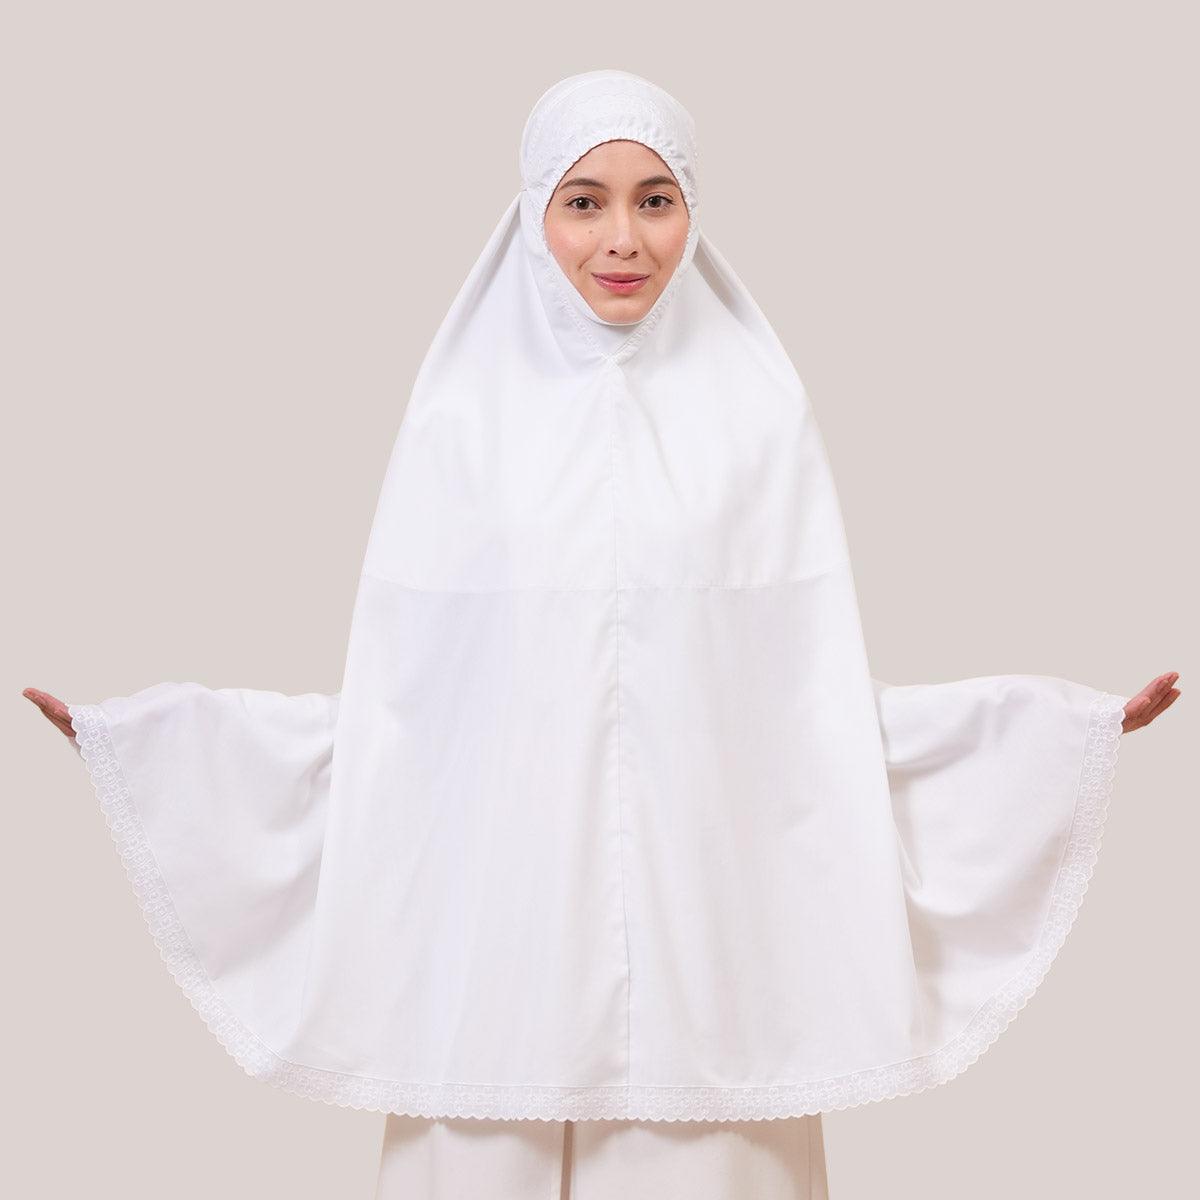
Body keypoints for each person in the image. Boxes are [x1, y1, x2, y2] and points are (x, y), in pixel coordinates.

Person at [24, 71, 1179, 1199]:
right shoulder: (462, 431)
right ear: (534, 211)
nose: (623, 238)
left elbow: (800, 714)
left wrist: (1050, 732)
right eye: (585, 201)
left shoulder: (756, 426)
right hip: (494, 957)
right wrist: (162, 743)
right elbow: (406, 721)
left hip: (711, 961)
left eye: (655, 199)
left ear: (692, 211)